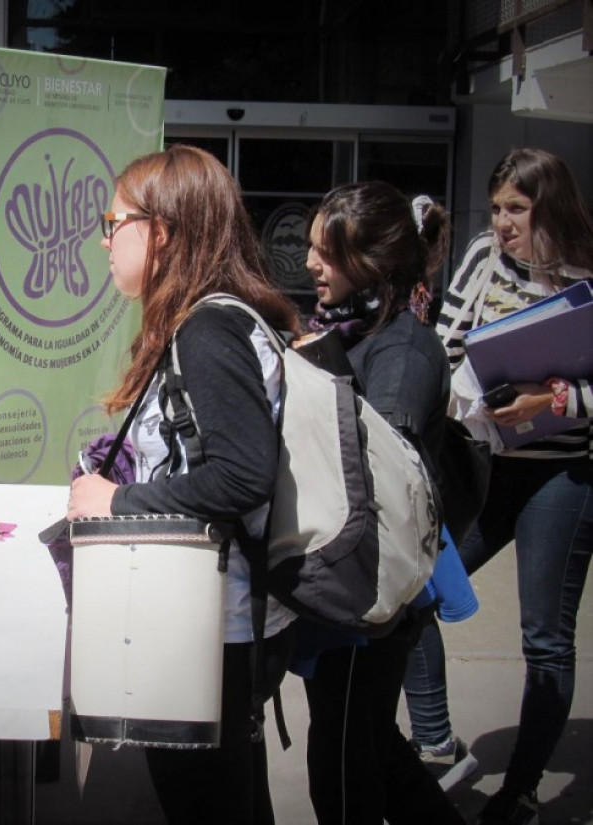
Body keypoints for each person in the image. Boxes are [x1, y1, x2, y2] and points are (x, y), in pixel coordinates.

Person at [67, 144, 299, 825]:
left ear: (161, 231)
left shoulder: (208, 328)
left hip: (210, 628)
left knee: (206, 802)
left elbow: (242, 472)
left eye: (113, 224)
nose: (105, 242)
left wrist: (117, 499)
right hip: (218, 619)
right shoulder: (215, 319)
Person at [426, 147, 593, 825]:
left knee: (545, 637)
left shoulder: (586, 273)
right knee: (419, 591)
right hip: (485, 463)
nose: (502, 222)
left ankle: (519, 788)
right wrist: (478, 368)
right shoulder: (480, 258)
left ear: (547, 207)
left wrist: (546, 401)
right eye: (496, 207)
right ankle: (434, 739)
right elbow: (445, 343)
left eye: (516, 209)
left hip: (561, 473)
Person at [291, 181, 464, 824]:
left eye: (327, 253)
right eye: (312, 248)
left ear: (374, 263)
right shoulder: (357, 329)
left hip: (371, 587)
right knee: (370, 746)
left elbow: (384, 469)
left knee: (341, 763)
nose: (312, 264)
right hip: (350, 575)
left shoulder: (403, 350)